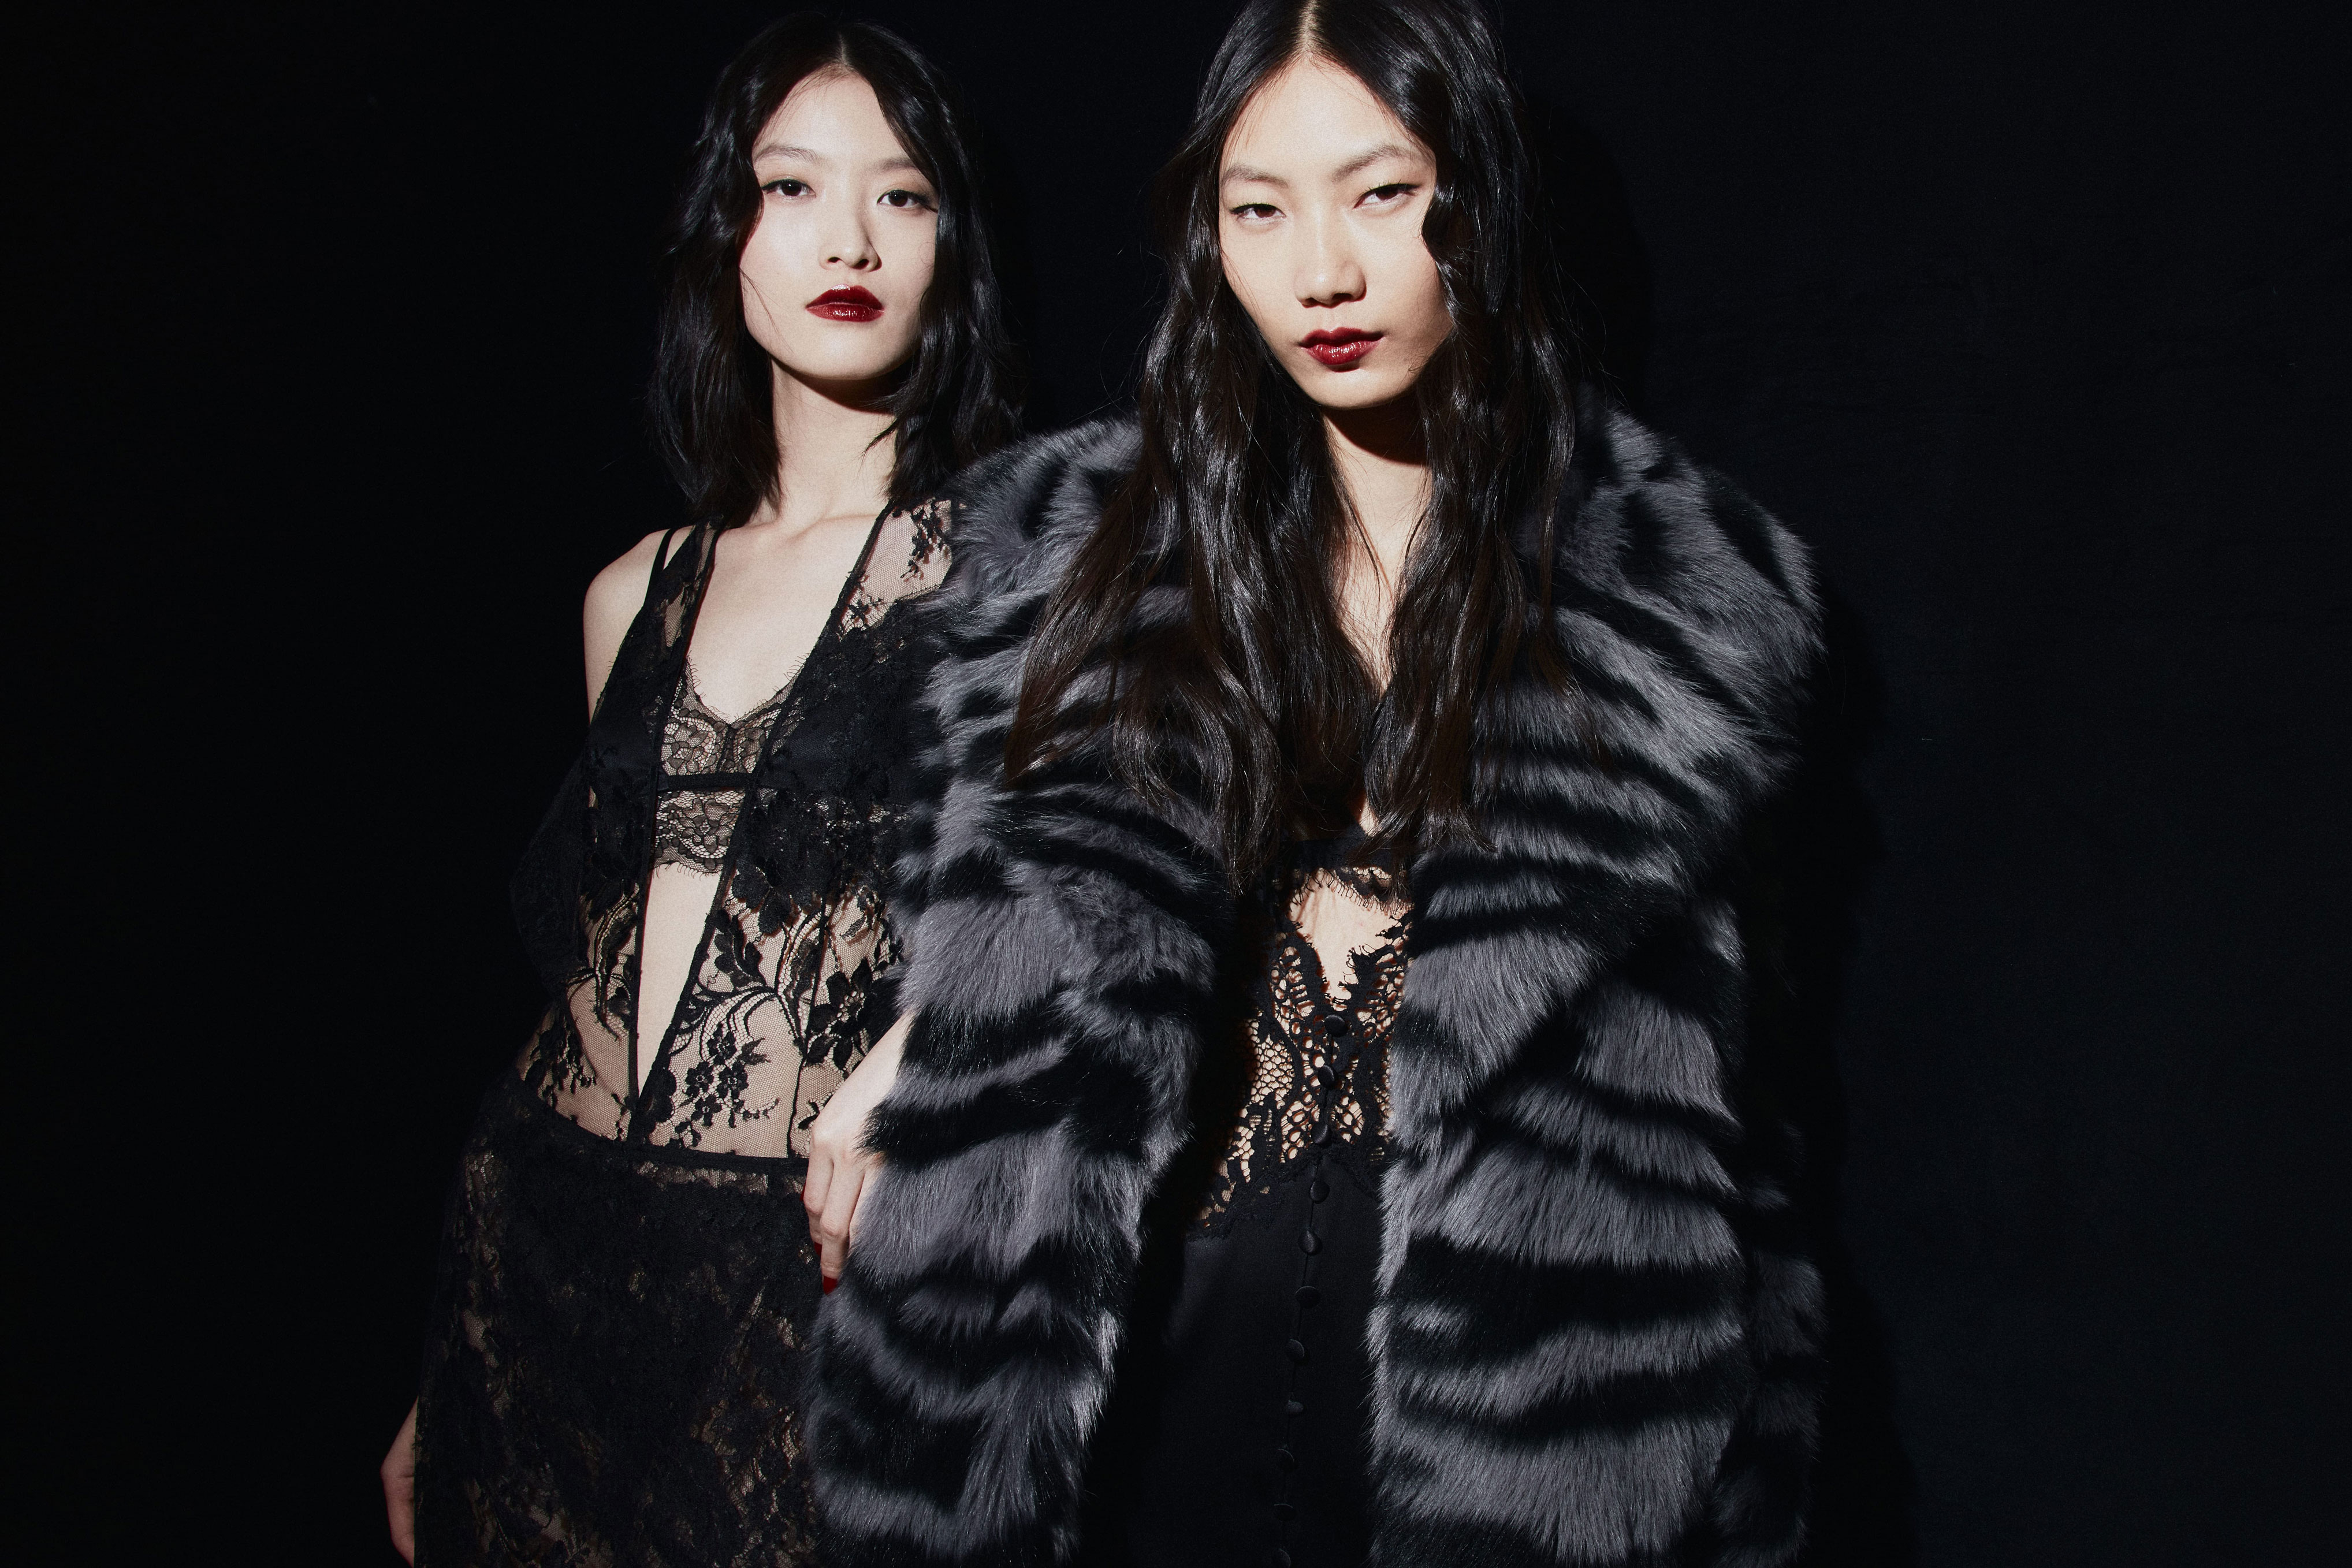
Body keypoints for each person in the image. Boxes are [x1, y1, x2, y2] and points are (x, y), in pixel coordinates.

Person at [802, 2, 1823, 1566]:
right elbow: (1000, 933)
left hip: (1503, 1461)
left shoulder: (1669, 621)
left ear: (1481, 199)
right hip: (1127, 1433)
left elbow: (1740, 1145)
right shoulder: (1075, 569)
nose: (1322, 273)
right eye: (1259, 210)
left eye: (1383, 193)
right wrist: (922, 1048)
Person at [377, 14, 1018, 1564]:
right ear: (725, 230)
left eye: (903, 194)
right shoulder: (632, 593)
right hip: (534, 1238)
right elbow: (602, 950)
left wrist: (924, 1057)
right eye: (792, 187)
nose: (850, 239)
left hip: (794, 1281)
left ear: (954, 243)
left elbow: (1123, 888)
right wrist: (441, 1373)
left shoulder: (1020, 568)